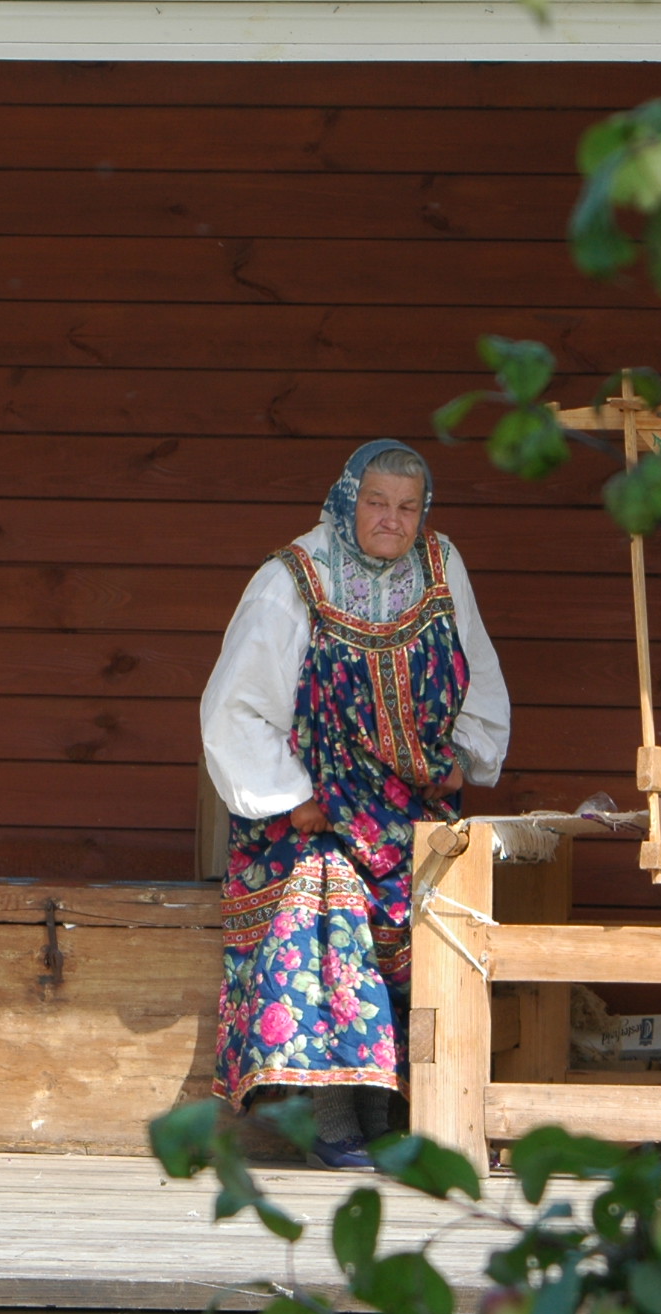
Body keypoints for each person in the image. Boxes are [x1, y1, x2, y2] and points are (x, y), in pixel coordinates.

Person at [200, 440, 511, 1169]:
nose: (392, 520)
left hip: (413, 801)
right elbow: (235, 706)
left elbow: (478, 671)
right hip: (316, 808)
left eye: (408, 507)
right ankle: (333, 1114)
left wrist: (464, 756)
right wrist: (293, 798)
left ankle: (387, 1110)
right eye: (377, 503)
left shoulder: (442, 566)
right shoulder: (293, 578)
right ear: (348, 501)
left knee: (423, 925)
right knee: (329, 911)